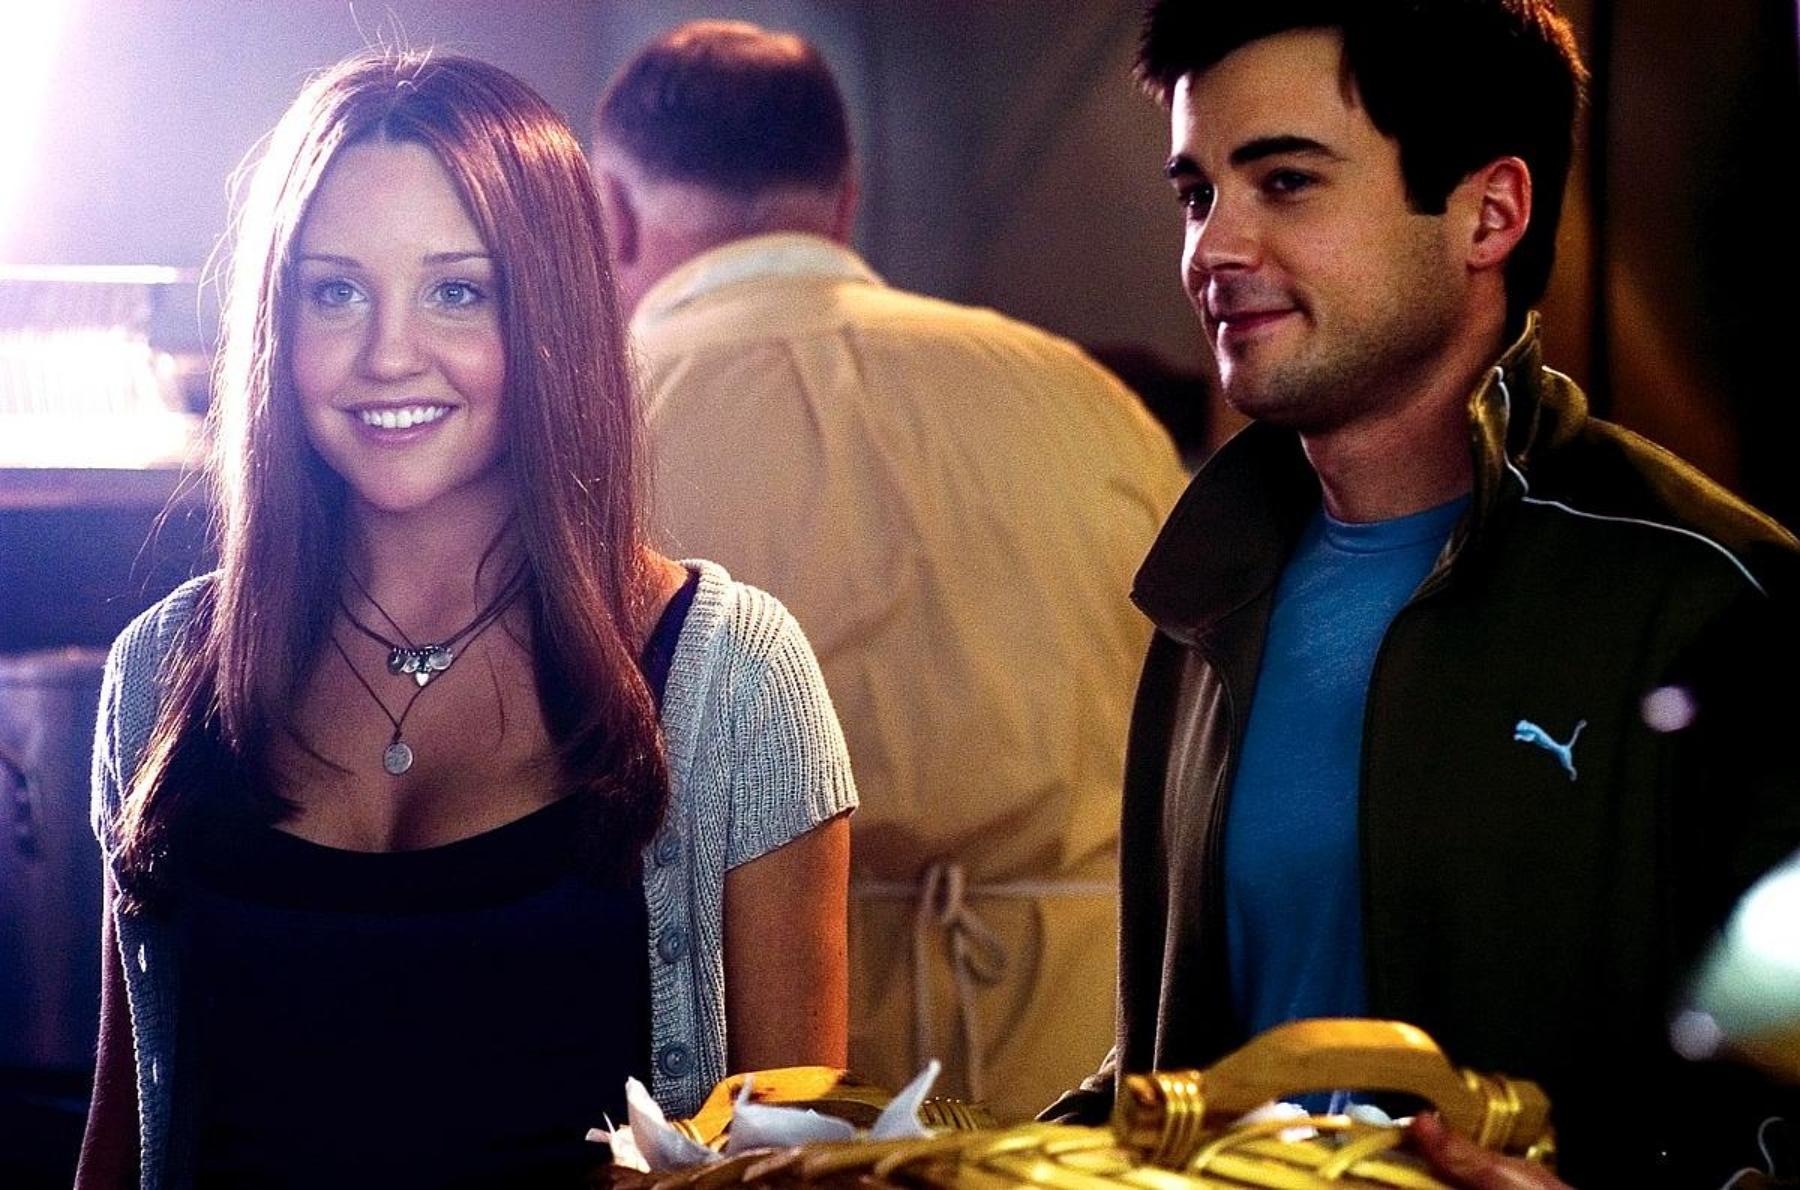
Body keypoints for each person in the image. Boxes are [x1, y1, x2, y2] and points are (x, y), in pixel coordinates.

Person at [1047, 2, 1800, 1185]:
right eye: (1197, 194)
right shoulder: (1210, 594)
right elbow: (1184, 1064)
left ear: (1489, 213)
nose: (1212, 248)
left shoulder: (1712, 599)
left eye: (1285, 182)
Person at [75, 50, 855, 1190]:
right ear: (275, 326)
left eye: (457, 290)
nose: (389, 354)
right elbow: (118, 1142)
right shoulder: (160, 670)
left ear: (554, 315)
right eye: (335, 292)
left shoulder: (735, 675)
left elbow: (799, 1172)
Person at [590, 20, 1187, 1120]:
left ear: (613, 213)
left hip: (757, 1109)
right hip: (1079, 1090)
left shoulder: (592, 432)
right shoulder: (1083, 401)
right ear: (846, 199)